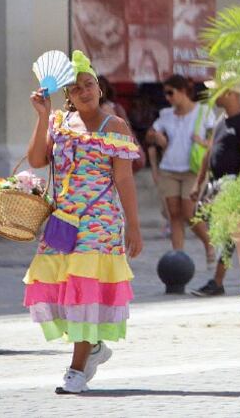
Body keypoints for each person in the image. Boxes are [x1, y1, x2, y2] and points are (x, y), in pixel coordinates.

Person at [23, 51, 143, 394]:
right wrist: (43, 117)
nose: (84, 91)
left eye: (89, 84)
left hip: (99, 222)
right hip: (62, 221)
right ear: (68, 97)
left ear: (99, 88)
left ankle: (76, 370)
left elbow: (124, 180)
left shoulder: (115, 127)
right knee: (58, 289)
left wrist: (133, 226)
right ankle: (91, 347)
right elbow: (35, 159)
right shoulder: (59, 123)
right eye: (76, 89)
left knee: (84, 291)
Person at [190, 77, 240, 297]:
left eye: (217, 91)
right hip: (214, 184)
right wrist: (198, 182)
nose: (213, 96)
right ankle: (217, 267)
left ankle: (218, 281)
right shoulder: (222, 120)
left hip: (231, 184)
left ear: (230, 93)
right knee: (196, 218)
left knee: (229, 234)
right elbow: (209, 153)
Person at [145, 74, 216, 263]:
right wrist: (156, 137)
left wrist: (202, 142)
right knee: (174, 214)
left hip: (193, 170)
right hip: (169, 169)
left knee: (189, 212)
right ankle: (179, 256)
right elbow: (150, 134)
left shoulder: (204, 112)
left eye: (170, 92)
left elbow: (215, 140)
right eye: (165, 94)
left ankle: (209, 243)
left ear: (183, 91)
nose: (167, 97)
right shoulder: (165, 114)